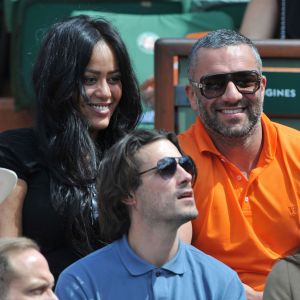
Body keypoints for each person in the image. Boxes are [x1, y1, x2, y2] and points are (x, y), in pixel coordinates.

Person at [0, 15, 142, 280]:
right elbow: (7, 262)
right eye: (90, 80)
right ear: (59, 82)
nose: (106, 92)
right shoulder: (13, 152)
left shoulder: (133, 155)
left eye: (114, 79)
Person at [178, 28, 300, 300]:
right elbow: (171, 259)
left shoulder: (297, 151)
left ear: (263, 86)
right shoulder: (174, 160)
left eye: (245, 81)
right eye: (214, 84)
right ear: (191, 97)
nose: (232, 95)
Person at [55, 129, 246, 300]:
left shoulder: (221, 282)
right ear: (128, 193)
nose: (186, 176)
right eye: (167, 168)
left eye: (186, 165)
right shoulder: (81, 284)